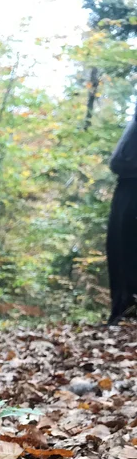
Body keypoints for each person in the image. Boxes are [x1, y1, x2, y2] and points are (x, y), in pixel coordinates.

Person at [107, 106, 137, 326]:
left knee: (123, 250)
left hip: (130, 188)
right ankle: (123, 310)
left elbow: (119, 161)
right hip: (128, 187)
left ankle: (125, 311)